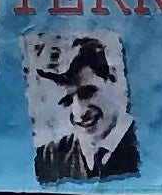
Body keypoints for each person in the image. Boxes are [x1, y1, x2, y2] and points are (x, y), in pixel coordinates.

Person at [26, 34, 141, 182]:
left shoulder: (148, 147)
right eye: (67, 101)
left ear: (113, 78)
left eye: (87, 93)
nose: (79, 112)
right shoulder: (48, 159)